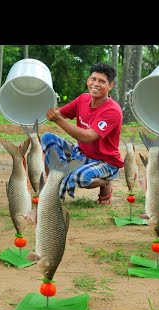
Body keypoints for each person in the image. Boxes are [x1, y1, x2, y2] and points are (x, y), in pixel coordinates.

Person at [41, 63, 123, 204]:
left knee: (79, 177)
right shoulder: (83, 99)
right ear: (88, 80)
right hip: (81, 154)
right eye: (93, 79)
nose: (95, 84)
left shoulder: (112, 111)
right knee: (47, 138)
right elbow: (59, 113)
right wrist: (41, 102)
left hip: (106, 162)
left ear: (110, 86)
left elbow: (88, 137)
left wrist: (58, 120)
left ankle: (105, 183)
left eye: (102, 81)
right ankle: (57, 179)